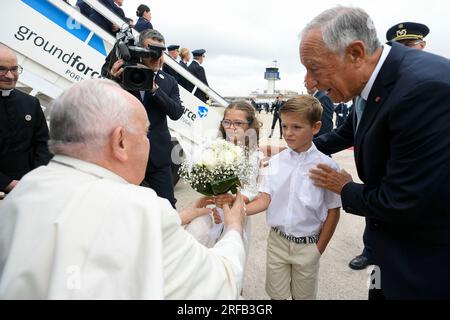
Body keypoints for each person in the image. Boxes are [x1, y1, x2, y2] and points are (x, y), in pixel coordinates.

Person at [0, 79, 247, 299]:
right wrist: (234, 228)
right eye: (145, 133)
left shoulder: (26, 190)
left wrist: (180, 216)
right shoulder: (143, 208)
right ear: (120, 140)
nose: (148, 142)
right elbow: (220, 283)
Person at [301, 6, 450, 299]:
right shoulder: (374, 81)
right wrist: (294, 149)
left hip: (423, 261)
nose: (309, 83)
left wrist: (343, 187)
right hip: (389, 249)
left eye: (314, 68)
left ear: (355, 53)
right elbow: (347, 133)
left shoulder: (422, 91)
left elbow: (402, 202)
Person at [349, 21, 430, 272]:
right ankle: (370, 251)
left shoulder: (425, 86)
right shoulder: (373, 86)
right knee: (375, 222)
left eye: (410, 45)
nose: (404, 50)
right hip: (377, 179)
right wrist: (307, 147)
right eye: (398, 46)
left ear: (423, 45)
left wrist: (343, 188)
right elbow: (347, 131)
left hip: (405, 180)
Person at [246, 95, 341, 300]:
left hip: (308, 245)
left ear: (315, 127)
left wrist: (318, 249)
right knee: (276, 296)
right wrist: (238, 209)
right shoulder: (275, 162)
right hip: (277, 243)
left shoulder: (328, 167)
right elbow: (264, 198)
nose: (288, 133)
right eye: (284, 126)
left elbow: (333, 211)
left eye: (296, 127)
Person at [108, 29, 184, 208]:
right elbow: (103, 107)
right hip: (125, 155)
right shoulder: (123, 75)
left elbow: (176, 112)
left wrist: (154, 88)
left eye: (160, 52)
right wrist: (112, 80)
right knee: (126, 209)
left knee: (167, 208)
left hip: (159, 159)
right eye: (151, 52)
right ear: (139, 51)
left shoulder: (169, 81)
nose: (157, 57)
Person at [186, 101, 263, 248]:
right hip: (212, 210)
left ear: (249, 126)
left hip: (235, 211)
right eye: (227, 122)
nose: (231, 127)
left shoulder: (254, 155)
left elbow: (251, 189)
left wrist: (233, 198)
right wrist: (210, 193)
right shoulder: (213, 146)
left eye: (238, 123)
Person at [0, 44, 52, 195]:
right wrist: (7, 183)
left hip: (27, 188)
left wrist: (33, 178)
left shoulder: (31, 103)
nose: (10, 76)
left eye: (14, 69)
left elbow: (43, 144)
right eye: (2, 69)